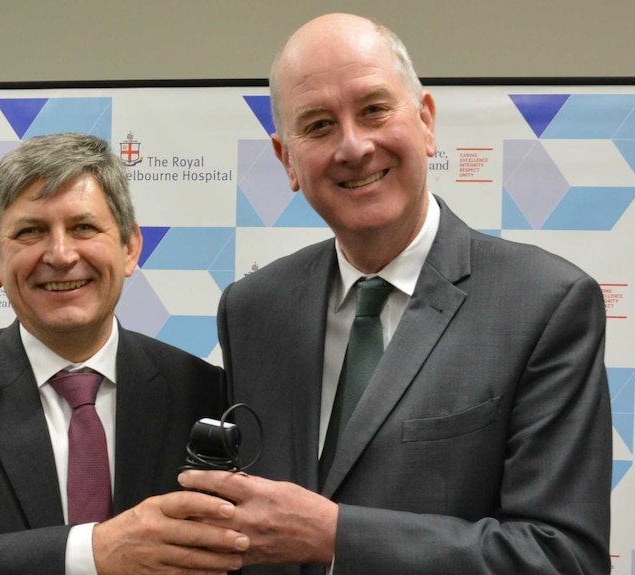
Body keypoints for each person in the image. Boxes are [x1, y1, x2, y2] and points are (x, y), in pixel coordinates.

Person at [178, 12, 612, 574]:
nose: (354, 147)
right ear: (286, 159)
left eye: (374, 110)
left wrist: (335, 538)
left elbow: (562, 558)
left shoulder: (546, 304)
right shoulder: (253, 308)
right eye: (317, 125)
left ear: (426, 122)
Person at [0, 133, 249, 575]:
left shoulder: (204, 392)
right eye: (31, 231)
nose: (61, 255)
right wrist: (92, 552)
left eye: (83, 227)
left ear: (130, 248)